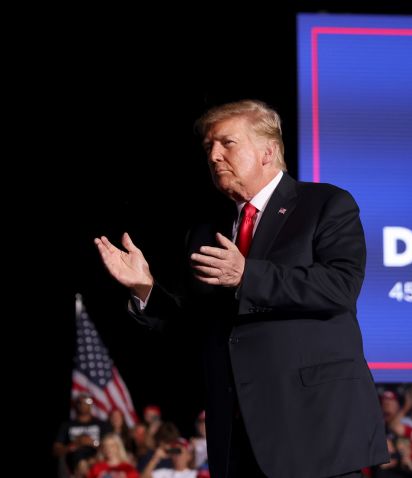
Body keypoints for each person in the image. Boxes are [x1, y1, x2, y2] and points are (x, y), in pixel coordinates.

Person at [94, 99, 389, 477]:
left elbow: (340, 287)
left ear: (268, 151)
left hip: (314, 431)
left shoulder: (325, 204)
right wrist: (145, 288)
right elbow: (197, 327)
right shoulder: (205, 231)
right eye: (208, 148)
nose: (214, 155)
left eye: (226, 143)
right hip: (236, 435)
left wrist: (247, 275)